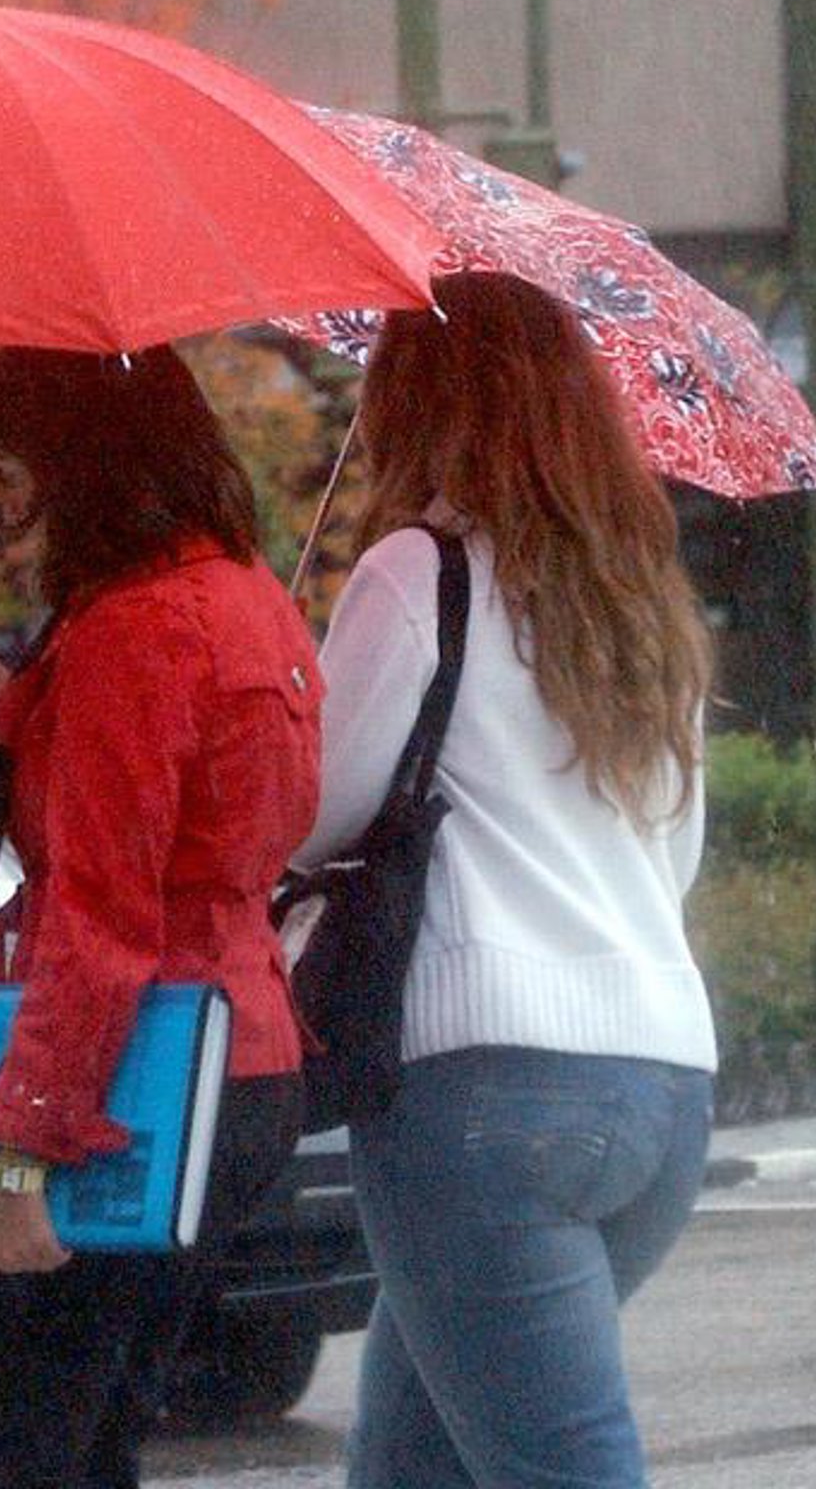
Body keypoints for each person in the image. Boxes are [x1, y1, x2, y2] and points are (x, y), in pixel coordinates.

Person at [291, 273, 718, 1489]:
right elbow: (673, 852)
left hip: (477, 1094)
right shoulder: (639, 603)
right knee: (417, 1459)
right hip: (661, 1088)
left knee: (560, 1468)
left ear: (414, 402)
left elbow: (311, 817)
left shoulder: (416, 573)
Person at [0, 345, 322, 1489]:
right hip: (239, 1055)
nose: (5, 504)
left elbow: (100, 920)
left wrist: (19, 1158)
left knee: (5, 1452)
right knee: (94, 1438)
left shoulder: (131, 632)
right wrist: (20, 719)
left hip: (135, 1070)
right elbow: (208, 821)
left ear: (77, 462)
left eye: (12, 471)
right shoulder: (247, 600)